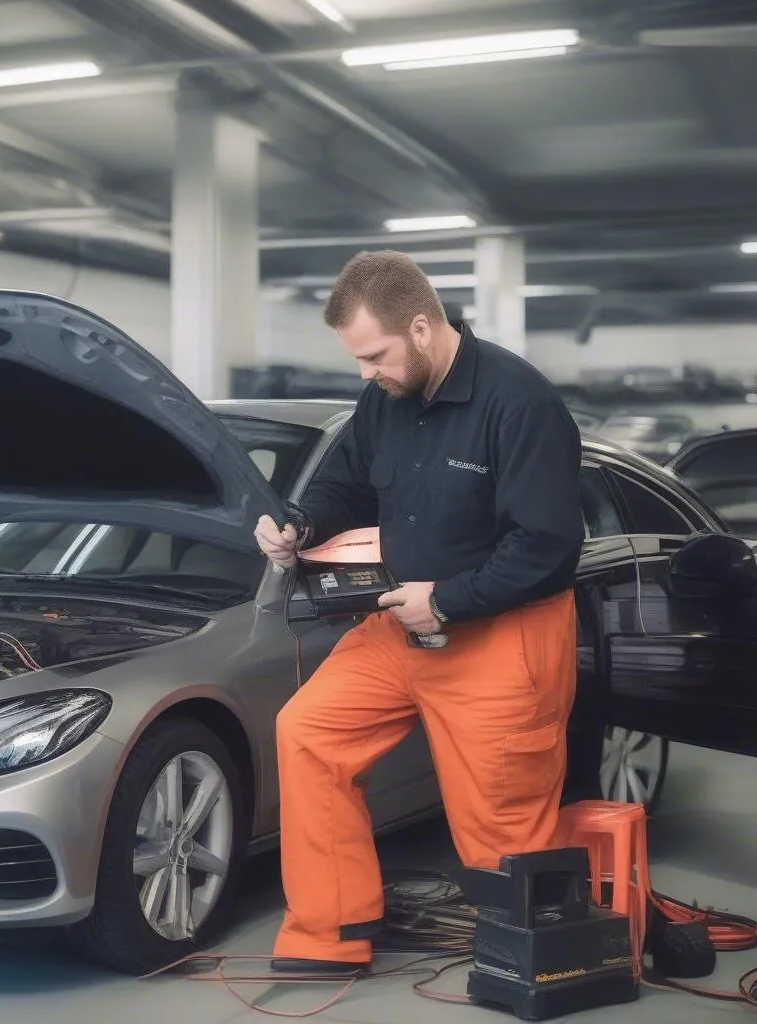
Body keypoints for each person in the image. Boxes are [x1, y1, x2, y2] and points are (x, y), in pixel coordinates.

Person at [254, 250, 583, 975]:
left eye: (375, 355)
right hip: (399, 623)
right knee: (307, 734)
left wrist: (449, 600)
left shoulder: (520, 403)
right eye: (357, 361)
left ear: (423, 328)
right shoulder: (384, 400)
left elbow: (550, 544)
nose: (365, 374)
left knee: (502, 817)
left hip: (501, 633)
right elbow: (345, 487)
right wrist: (300, 525)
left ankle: (528, 962)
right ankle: (331, 930)